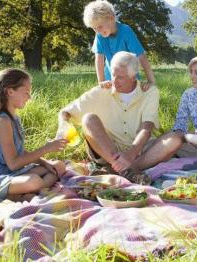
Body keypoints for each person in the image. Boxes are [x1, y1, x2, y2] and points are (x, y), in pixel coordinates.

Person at [57, 52, 178, 185]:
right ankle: (126, 171)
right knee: (88, 119)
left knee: (174, 139)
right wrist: (63, 125)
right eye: (113, 74)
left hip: (141, 151)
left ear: (133, 77)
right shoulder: (102, 90)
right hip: (108, 151)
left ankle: (120, 169)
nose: (114, 80)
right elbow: (65, 112)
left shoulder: (149, 92)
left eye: (120, 77)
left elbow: (147, 127)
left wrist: (130, 154)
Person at [0, 69, 67, 201]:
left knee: (59, 166)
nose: (29, 97)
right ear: (10, 91)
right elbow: (13, 163)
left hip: (13, 172)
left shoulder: (13, 117)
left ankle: (21, 194)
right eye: (26, 92)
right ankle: (27, 192)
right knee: (34, 181)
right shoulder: (2, 121)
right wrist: (46, 148)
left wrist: (45, 162)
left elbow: (19, 152)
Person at [83, 0, 156, 91]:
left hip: (130, 80)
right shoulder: (100, 36)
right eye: (94, 28)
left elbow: (141, 56)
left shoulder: (126, 31)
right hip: (111, 80)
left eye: (100, 26)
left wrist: (151, 81)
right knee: (113, 104)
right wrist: (101, 82)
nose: (98, 31)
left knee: (130, 102)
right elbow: (99, 59)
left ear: (111, 18)